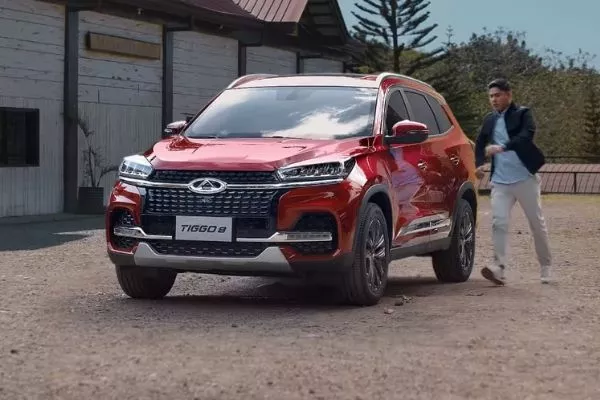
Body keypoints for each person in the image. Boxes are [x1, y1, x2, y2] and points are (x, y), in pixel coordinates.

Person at [474, 78, 552, 285]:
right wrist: (480, 163)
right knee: (498, 223)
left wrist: (501, 147)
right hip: (500, 181)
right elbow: (480, 141)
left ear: (509, 95)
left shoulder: (523, 114)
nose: (494, 99)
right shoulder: (489, 119)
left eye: (497, 95)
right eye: (491, 96)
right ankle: (498, 268)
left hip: (525, 178)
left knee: (536, 223)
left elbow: (526, 136)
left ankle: (545, 266)